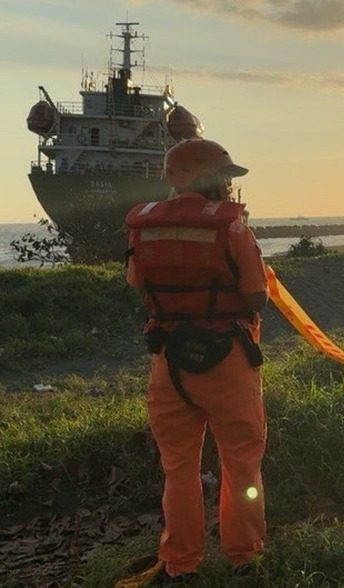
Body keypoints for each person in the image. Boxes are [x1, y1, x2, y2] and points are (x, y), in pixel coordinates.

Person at [121, 138, 268, 584]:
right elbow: (256, 294)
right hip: (228, 363)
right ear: (208, 179)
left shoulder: (142, 229)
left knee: (178, 467)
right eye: (224, 176)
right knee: (241, 461)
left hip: (170, 365)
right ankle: (244, 557)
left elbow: (137, 283)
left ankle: (180, 562)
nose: (228, 185)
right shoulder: (233, 230)